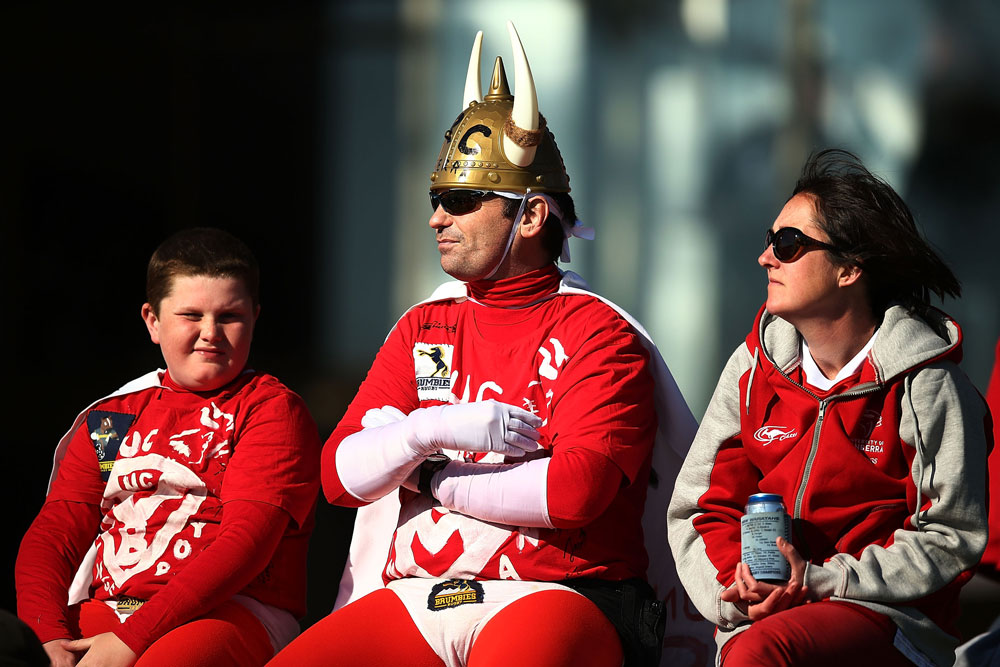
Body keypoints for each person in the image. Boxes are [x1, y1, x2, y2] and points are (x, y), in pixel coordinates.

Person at [268, 22, 705, 667]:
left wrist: (429, 470)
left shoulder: (600, 332)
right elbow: (338, 475)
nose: (436, 218)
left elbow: (573, 492)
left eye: (464, 200)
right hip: (420, 593)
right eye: (438, 199)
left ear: (529, 216)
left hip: (562, 589)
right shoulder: (422, 326)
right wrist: (425, 434)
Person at [667, 149, 991, 666]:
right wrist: (739, 586)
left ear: (850, 269)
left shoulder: (926, 382)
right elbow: (701, 506)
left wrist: (825, 580)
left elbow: (951, 533)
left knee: (763, 654)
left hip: (891, 622)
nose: (765, 257)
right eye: (769, 241)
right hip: (764, 617)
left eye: (788, 244)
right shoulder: (753, 367)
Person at [15, 228, 321, 667]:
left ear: (255, 317)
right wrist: (45, 638)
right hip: (114, 611)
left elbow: (245, 543)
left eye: (230, 316)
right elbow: (57, 530)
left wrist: (130, 641)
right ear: (152, 322)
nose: (210, 333)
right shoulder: (113, 418)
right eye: (191, 315)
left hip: (232, 612)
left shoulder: (271, 409)